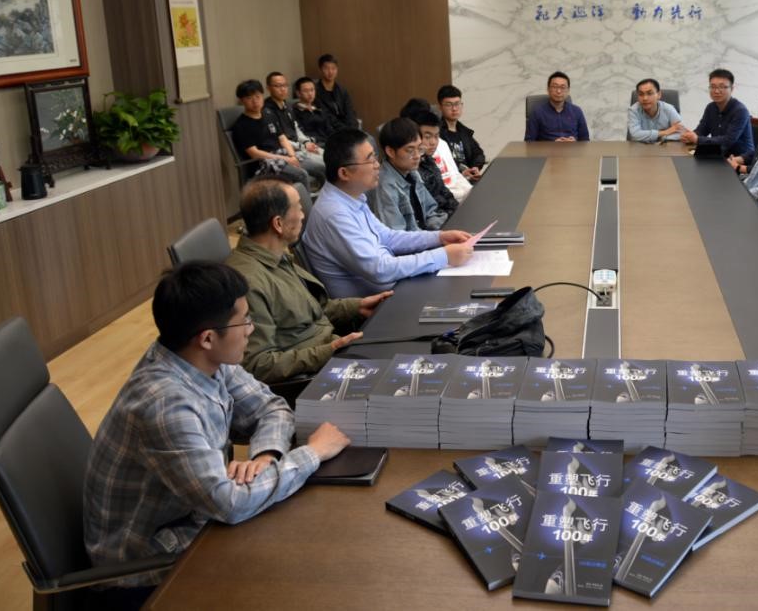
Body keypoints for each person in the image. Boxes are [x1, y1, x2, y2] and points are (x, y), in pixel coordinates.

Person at [83, 262, 350, 607]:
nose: (251, 330)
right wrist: (313, 453)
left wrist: (265, 456)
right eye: (245, 321)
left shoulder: (200, 358)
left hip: (195, 519)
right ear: (207, 338)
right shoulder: (165, 405)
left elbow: (272, 408)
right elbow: (229, 504)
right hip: (147, 567)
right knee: (302, 575)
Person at [225, 178, 393, 383]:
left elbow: (307, 312)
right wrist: (329, 350)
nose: (303, 215)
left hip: (330, 350)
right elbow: (258, 364)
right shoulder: (248, 282)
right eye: (298, 208)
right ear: (278, 224)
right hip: (312, 376)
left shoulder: (275, 256)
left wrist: (357, 306)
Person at [303, 129, 473, 297]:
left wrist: (439, 237)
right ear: (344, 173)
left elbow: (387, 237)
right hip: (376, 305)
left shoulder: (351, 197)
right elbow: (379, 269)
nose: (377, 165)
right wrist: (443, 256)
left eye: (375, 158)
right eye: (370, 160)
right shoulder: (334, 214)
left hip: (392, 287)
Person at [230, 79, 310, 188]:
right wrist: (285, 159)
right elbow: (254, 153)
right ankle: (301, 199)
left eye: (258, 96)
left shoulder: (268, 114)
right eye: (249, 98)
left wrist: (292, 156)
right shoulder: (241, 125)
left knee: (319, 166)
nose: (255, 101)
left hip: (283, 155)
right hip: (265, 164)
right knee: (301, 174)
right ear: (242, 101)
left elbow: (282, 138)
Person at [375, 117, 448, 231]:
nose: (417, 155)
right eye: (410, 150)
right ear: (390, 152)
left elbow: (430, 212)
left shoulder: (412, 173)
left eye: (420, 148)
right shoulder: (384, 186)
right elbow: (397, 235)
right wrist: (435, 237)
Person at [263, 72, 325, 184]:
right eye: (278, 86)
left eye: (285, 85)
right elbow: (279, 139)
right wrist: (302, 146)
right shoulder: (266, 111)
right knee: (324, 165)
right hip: (288, 151)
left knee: (331, 158)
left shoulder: (287, 106)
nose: (282, 89)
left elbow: (296, 128)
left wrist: (306, 142)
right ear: (268, 88)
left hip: (300, 146)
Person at [680, 68, 754, 158]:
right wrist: (690, 136)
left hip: (739, 159)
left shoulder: (740, 111)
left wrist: (698, 139)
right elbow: (701, 130)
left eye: (722, 87)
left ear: (732, 89)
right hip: (717, 154)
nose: (716, 91)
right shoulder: (710, 107)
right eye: (713, 87)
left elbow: (728, 140)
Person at [411, 108, 470, 210]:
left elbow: (444, 191)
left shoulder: (428, 159)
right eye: (427, 137)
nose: (433, 142)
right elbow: (430, 204)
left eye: (436, 136)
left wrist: (457, 210)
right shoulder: (411, 166)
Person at [437, 85, 487, 181]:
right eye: (449, 104)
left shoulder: (464, 131)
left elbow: (478, 154)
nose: (454, 108)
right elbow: (440, 162)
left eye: (457, 104)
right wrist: (461, 173)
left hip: (468, 180)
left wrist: (475, 167)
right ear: (440, 107)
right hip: (452, 181)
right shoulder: (437, 133)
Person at [525, 71, 589, 141]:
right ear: (548, 89)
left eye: (563, 87)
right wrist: (552, 145)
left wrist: (575, 143)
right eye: (555, 87)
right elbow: (528, 142)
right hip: (548, 148)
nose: (558, 91)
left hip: (572, 148)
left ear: (568, 91)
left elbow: (585, 140)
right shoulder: (537, 112)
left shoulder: (577, 111)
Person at [293, 76, 349, 146]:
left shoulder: (319, 108)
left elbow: (330, 127)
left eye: (312, 90)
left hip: (329, 141)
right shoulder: (295, 111)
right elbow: (301, 133)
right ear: (298, 93)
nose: (310, 94)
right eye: (306, 91)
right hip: (314, 144)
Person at [627, 78, 683, 142]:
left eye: (649, 93)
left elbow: (681, 131)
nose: (645, 98)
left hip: (664, 147)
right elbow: (635, 135)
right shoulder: (634, 110)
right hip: (640, 147)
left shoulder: (669, 109)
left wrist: (663, 137)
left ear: (659, 95)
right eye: (641, 94)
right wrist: (664, 132)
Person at [314, 53, 359, 130]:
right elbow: (326, 116)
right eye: (326, 68)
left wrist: (352, 128)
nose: (330, 72)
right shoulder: (315, 91)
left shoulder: (342, 90)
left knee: (368, 136)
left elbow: (350, 112)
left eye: (333, 68)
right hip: (331, 129)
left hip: (348, 129)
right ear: (320, 69)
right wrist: (344, 129)